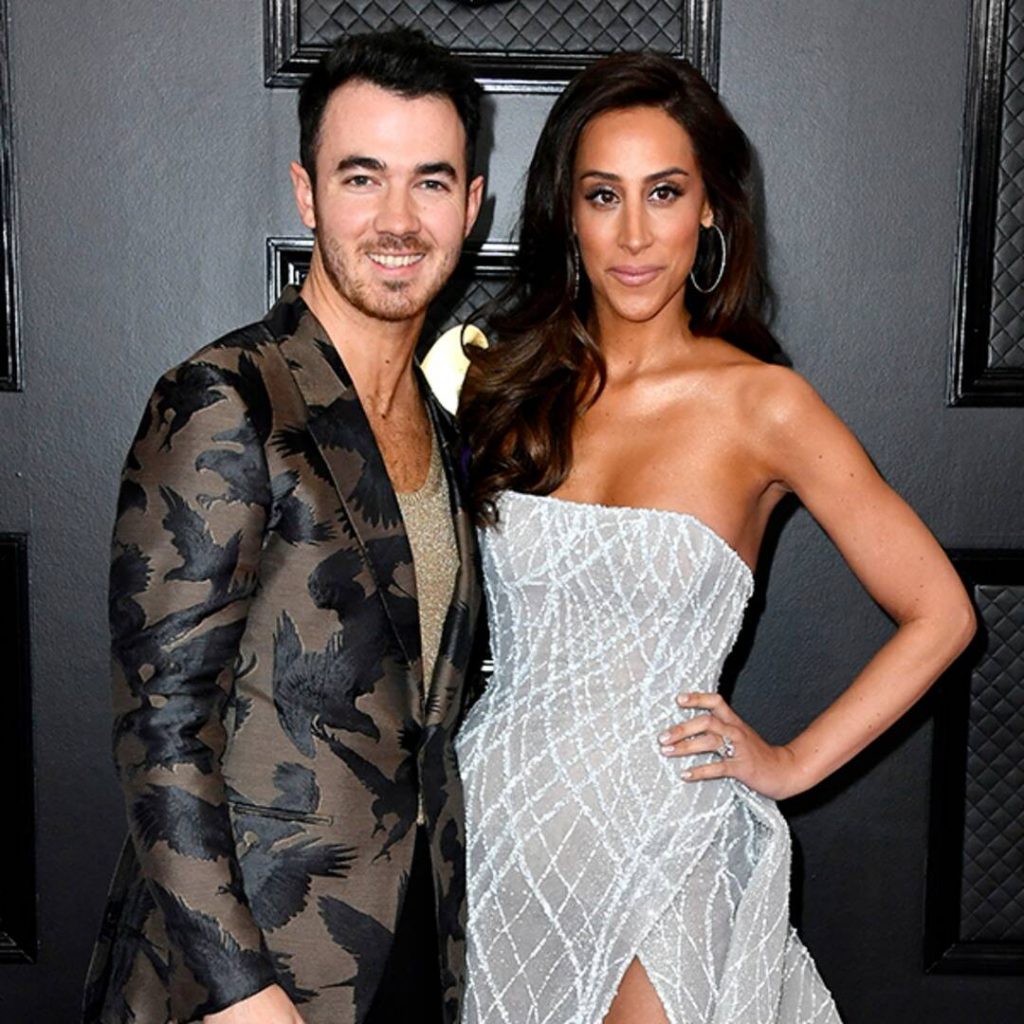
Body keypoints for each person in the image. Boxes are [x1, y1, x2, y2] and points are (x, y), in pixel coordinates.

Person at [455, 52, 975, 1024]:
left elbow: (941, 613)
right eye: (603, 195)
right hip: (502, 827)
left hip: (668, 832)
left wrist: (791, 763)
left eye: (664, 192)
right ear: (568, 212)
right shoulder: (507, 386)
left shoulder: (764, 406)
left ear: (708, 211)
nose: (634, 233)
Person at [82, 28, 486, 1024]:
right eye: (363, 177)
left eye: (431, 182)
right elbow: (160, 728)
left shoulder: (445, 432)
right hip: (246, 974)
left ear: (473, 206)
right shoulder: (226, 395)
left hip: (407, 952)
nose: (398, 219)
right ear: (307, 195)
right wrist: (240, 992)